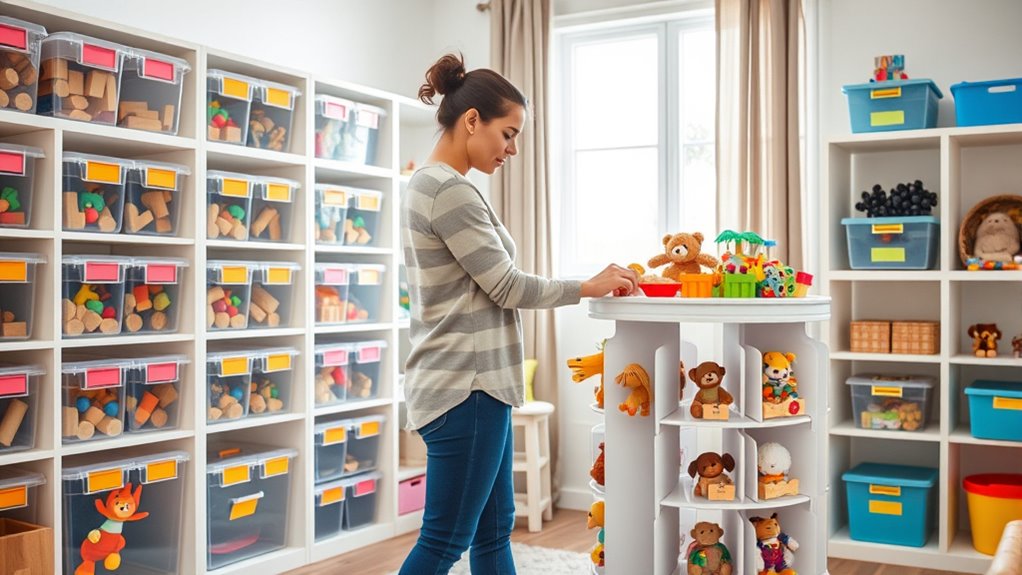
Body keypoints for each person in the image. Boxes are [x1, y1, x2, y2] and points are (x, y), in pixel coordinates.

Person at [399, 53, 640, 575]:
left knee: (491, 532)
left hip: (473, 384)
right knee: (445, 540)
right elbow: (506, 286)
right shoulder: (449, 190)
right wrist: (588, 285)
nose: (512, 148)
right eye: (507, 133)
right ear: (471, 122)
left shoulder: (429, 183)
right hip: (469, 386)